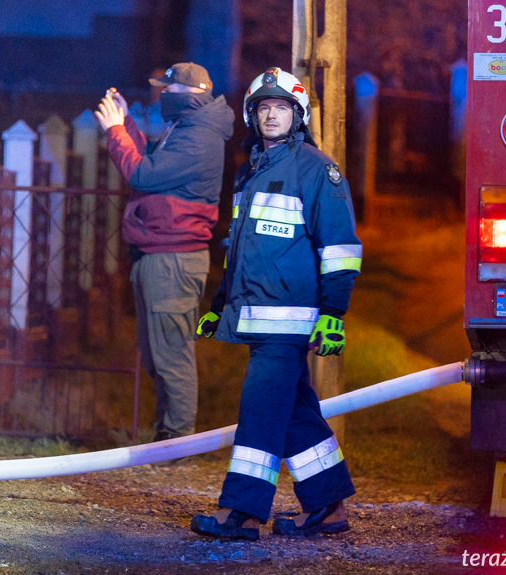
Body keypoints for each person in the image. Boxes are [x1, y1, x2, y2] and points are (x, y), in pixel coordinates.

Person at [189, 67, 362, 540]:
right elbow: (240, 250)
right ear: (252, 114)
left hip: (290, 320)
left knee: (262, 410)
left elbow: (341, 248)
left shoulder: (315, 170)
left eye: (281, 108)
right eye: (263, 108)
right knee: (293, 413)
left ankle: (241, 512)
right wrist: (219, 304)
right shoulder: (250, 172)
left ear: (297, 116)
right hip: (256, 313)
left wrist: (333, 314)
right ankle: (328, 507)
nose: (271, 115)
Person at [94, 63, 235, 441]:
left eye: (167, 91)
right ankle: (167, 438)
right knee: (158, 354)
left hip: (173, 260)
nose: (161, 97)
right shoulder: (188, 128)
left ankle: (177, 440)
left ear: (188, 95)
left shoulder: (200, 137)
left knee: (171, 355)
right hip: (160, 254)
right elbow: (151, 167)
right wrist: (126, 125)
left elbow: (142, 175)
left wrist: (115, 133)